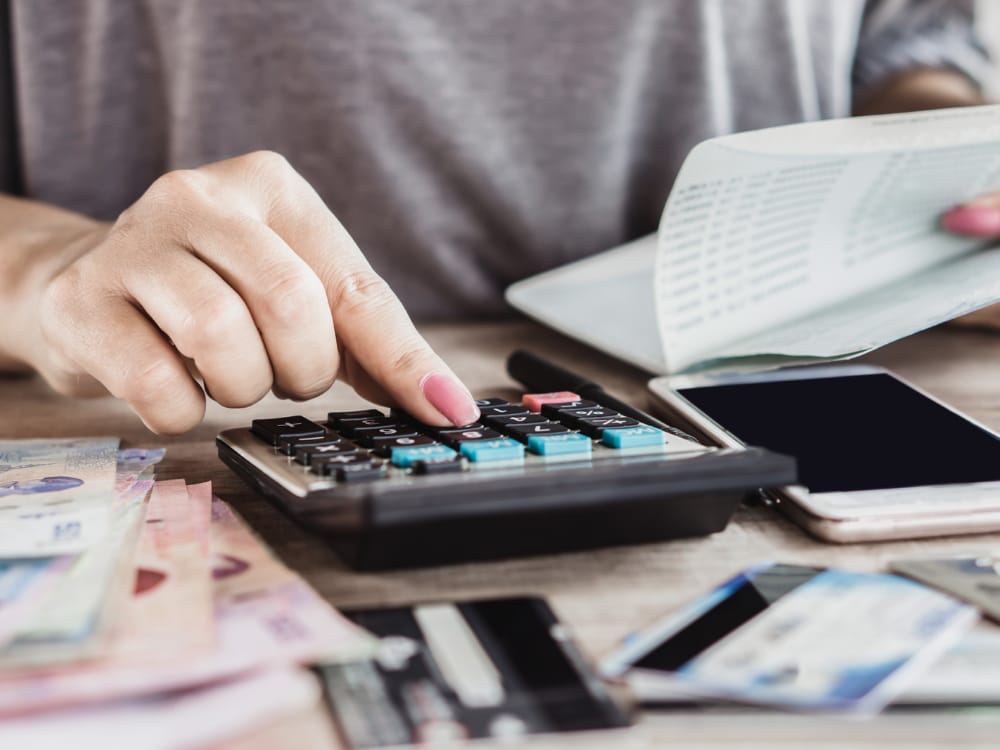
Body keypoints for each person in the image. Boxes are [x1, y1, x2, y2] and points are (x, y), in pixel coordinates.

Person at [0, 1, 993, 434]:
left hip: (830, 396)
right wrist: (46, 270)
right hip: (201, 419)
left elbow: (905, 36)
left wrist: (946, 163)